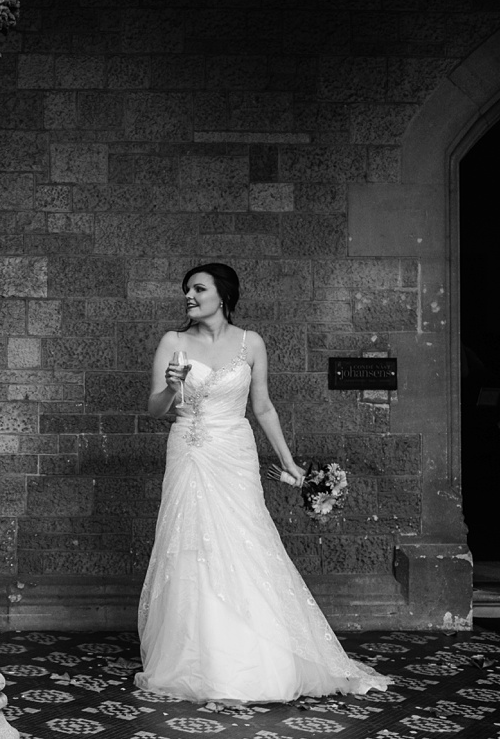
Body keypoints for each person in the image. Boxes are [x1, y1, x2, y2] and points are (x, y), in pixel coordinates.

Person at [138, 261, 390, 702]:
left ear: (224, 296)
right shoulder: (173, 342)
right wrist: (169, 385)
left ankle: (262, 657)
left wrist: (291, 464)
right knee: (191, 543)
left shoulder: (251, 343)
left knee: (246, 539)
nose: (189, 297)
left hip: (235, 452)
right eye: (186, 291)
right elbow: (157, 409)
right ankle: (199, 659)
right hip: (190, 450)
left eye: (198, 289)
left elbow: (264, 407)